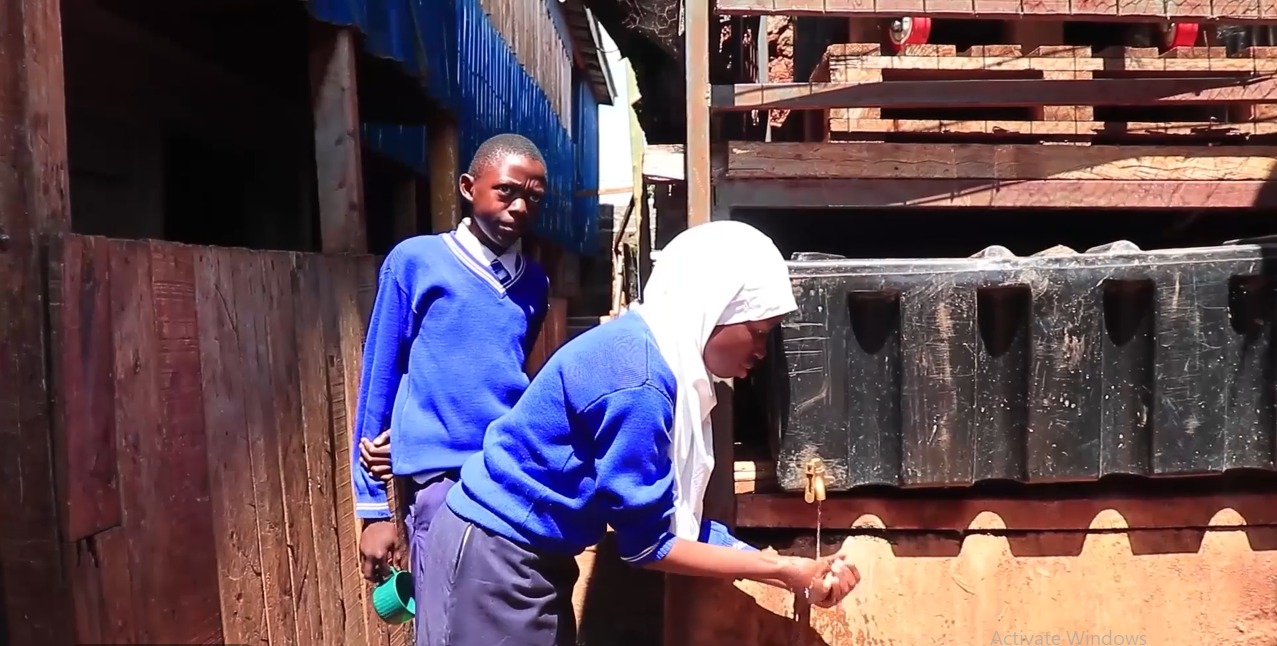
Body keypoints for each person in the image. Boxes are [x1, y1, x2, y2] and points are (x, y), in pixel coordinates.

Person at [418, 221, 861, 646]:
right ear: (712, 309)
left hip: (524, 552)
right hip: (494, 557)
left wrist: (786, 567)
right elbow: (647, 545)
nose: (763, 351)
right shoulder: (642, 382)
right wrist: (783, 571)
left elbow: (664, 522)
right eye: (759, 331)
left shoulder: (655, 353)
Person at [351, 133, 551, 617]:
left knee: (498, 623)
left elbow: (505, 377)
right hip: (440, 488)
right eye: (506, 191)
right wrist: (373, 509)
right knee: (441, 624)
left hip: (504, 480)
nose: (520, 206)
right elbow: (380, 376)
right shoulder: (416, 262)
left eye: (534, 198)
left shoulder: (534, 283)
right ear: (468, 186)